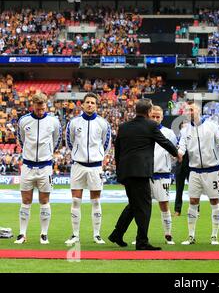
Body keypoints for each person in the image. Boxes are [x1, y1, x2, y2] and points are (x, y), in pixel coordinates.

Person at [109, 99, 180, 250]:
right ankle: (142, 241)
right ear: (148, 112)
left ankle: (117, 234)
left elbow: (118, 151)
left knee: (135, 205)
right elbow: (164, 142)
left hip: (127, 172)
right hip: (141, 172)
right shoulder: (151, 125)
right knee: (144, 207)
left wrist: (119, 172)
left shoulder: (124, 126)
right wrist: (176, 153)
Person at [178, 101, 219, 245]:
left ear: (199, 110)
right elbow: (181, 147)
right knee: (193, 201)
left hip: (212, 170)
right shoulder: (185, 130)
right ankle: (191, 236)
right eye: (188, 110)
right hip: (194, 171)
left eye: (192, 109)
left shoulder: (212, 126)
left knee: (214, 201)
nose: (190, 112)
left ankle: (214, 236)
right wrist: (178, 154)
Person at [14, 93, 62, 244]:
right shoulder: (24, 120)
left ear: (46, 105)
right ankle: (22, 234)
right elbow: (21, 139)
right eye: (38, 108)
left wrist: (46, 153)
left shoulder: (53, 121)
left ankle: (44, 234)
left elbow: (57, 140)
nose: (40, 111)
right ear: (33, 106)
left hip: (45, 166)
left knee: (44, 200)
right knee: (26, 200)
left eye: (42, 108)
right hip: (28, 166)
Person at [65, 93, 112, 245]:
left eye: (93, 102)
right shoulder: (73, 122)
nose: (90, 104)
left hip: (95, 167)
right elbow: (69, 142)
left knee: (96, 201)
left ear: (96, 105)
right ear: (83, 105)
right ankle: (75, 235)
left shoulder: (103, 123)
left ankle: (97, 235)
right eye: (88, 102)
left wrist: (97, 156)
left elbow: (106, 144)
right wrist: (78, 154)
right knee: (75, 201)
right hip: (78, 165)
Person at [147, 105, 178, 244]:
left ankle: (168, 234)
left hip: (162, 174)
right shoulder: (143, 130)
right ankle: (142, 235)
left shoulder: (169, 133)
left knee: (164, 204)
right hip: (145, 174)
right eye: (152, 116)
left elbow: (174, 152)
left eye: (157, 117)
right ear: (148, 115)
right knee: (143, 207)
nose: (155, 119)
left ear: (162, 117)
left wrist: (166, 165)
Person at [174, 121, 190, 216]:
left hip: (191, 165)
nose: (185, 126)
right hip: (180, 165)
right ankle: (177, 210)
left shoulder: (193, 138)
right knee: (178, 189)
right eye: (183, 125)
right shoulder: (176, 138)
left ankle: (196, 209)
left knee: (193, 189)